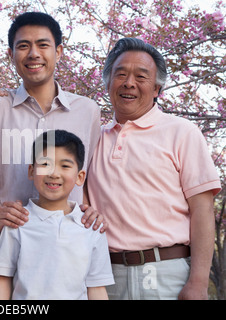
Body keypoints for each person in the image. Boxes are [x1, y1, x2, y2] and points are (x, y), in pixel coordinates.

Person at [0, 11, 104, 299]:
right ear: (10, 54)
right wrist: (0, 212)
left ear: (58, 52)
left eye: (43, 45)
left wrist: (90, 210)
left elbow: (88, 176)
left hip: (67, 255)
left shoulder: (87, 111)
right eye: (23, 46)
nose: (33, 54)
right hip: (3, 250)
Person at [87, 37, 222, 300]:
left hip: (169, 274)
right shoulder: (93, 138)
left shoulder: (182, 132)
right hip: (105, 277)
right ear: (108, 83)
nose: (129, 83)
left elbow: (203, 210)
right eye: (121, 74)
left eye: (141, 76)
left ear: (157, 88)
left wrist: (199, 283)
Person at [0, 130, 114, 300]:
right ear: (31, 171)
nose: (54, 173)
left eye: (65, 166)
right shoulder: (17, 221)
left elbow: (97, 288)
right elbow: (2, 279)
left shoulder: (91, 226)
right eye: (45, 164)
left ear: (80, 177)